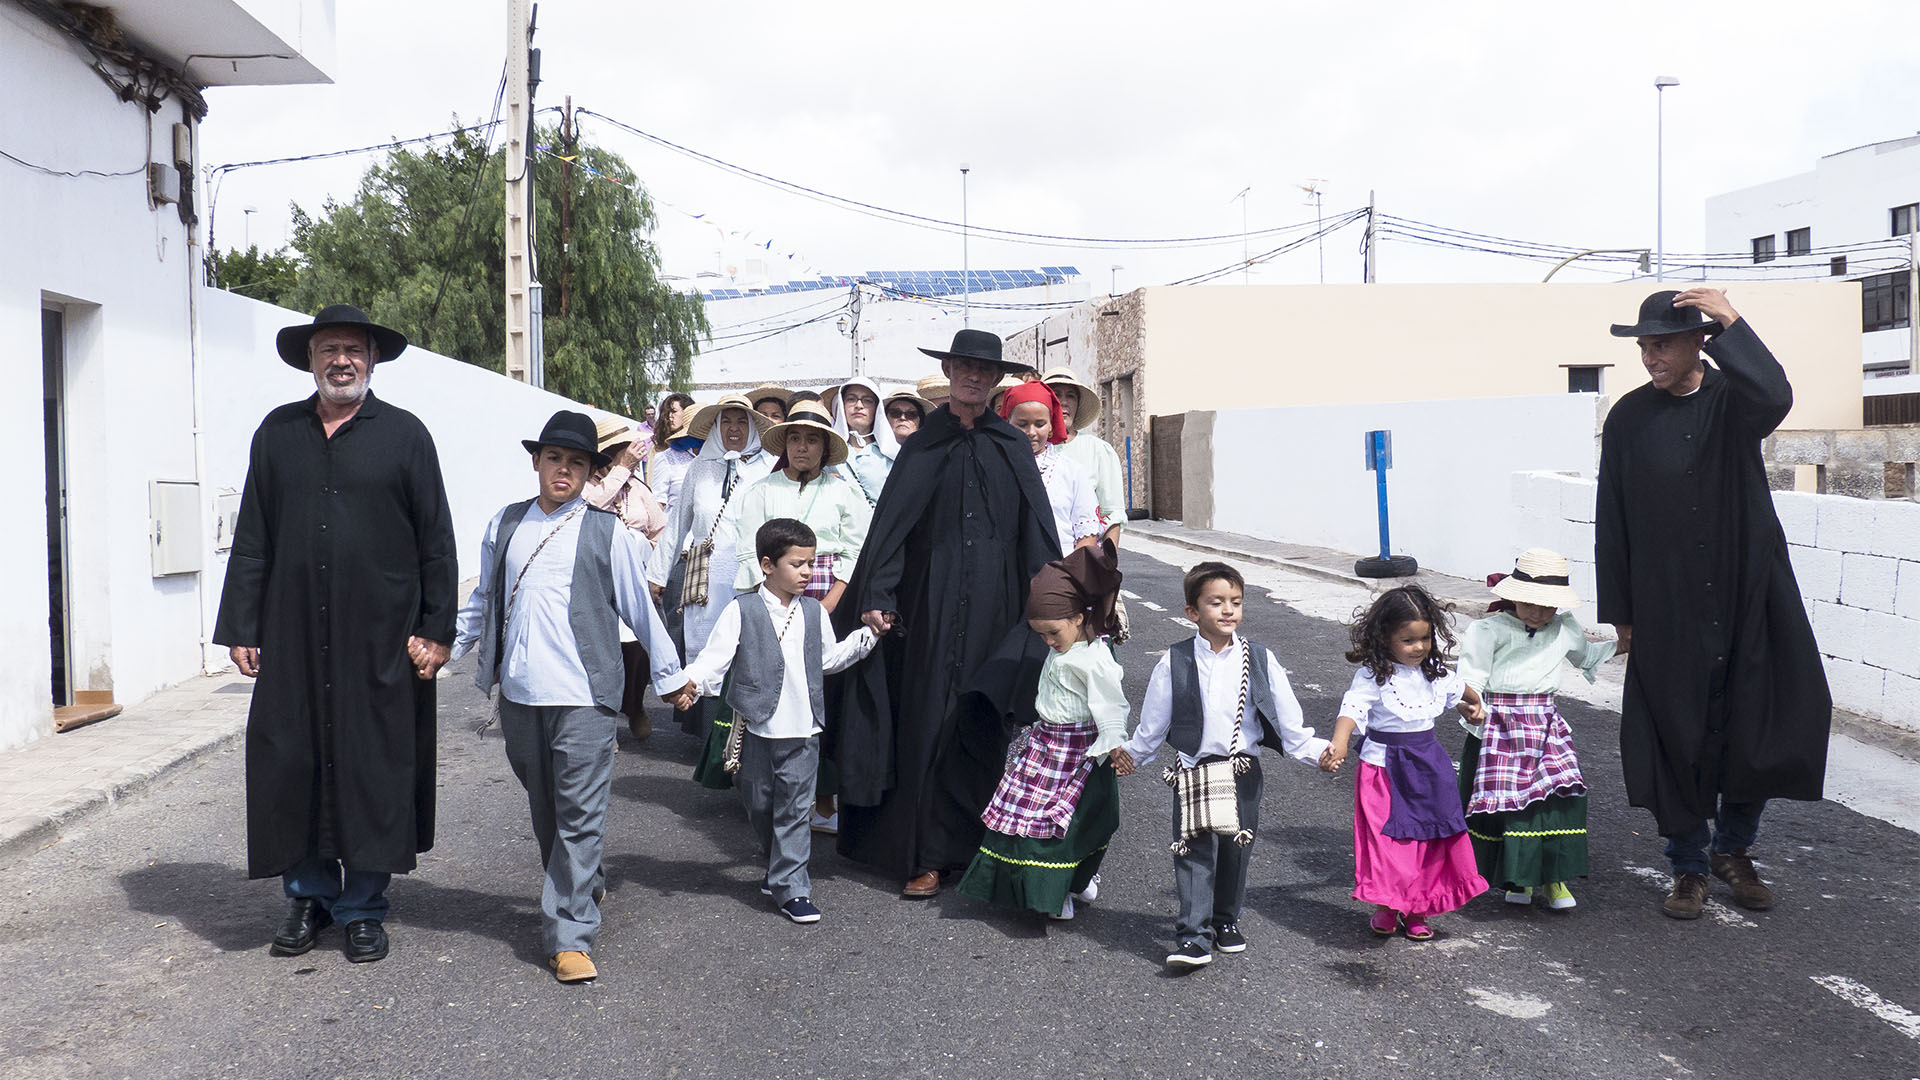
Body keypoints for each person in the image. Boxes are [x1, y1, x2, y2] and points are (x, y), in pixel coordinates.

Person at [213, 304, 458, 966]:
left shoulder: (406, 437)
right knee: (292, 762)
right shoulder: (278, 434)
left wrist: (437, 630)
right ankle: (308, 897)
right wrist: (241, 623)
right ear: (311, 359)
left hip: (380, 640)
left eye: (353, 349)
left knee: (373, 767)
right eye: (329, 349)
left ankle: (362, 908)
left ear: (371, 361)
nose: (341, 360)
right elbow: (255, 535)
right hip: (292, 635)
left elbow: (437, 539)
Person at [1595, 287, 1831, 920]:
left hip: (1746, 591)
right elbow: (1610, 516)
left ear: (1700, 341)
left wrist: (1732, 319)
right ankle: (1689, 867)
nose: (1650, 356)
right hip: (1665, 602)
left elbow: (1776, 394)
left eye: (1663, 342)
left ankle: (1734, 849)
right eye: (1644, 344)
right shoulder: (1628, 418)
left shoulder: (1734, 400)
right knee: (1673, 731)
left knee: (1760, 724)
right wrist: (1621, 611)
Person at [448, 411, 687, 984]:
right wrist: (448, 649)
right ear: (537, 461)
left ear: (590, 472)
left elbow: (640, 610)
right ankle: (585, 882)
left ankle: (570, 933)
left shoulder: (611, 535)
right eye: (555, 458)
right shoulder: (503, 525)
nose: (564, 470)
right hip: (521, 694)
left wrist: (671, 675)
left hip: (586, 695)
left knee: (580, 814)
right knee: (546, 806)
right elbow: (484, 597)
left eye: (577, 463)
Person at [834, 329, 1062, 898]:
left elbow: (1035, 533)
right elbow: (891, 533)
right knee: (926, 722)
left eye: (985, 370)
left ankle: (982, 851)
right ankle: (927, 855)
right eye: (964, 366)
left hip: (996, 608)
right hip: (927, 609)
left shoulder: (1011, 446)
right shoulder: (922, 445)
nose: (974, 377)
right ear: (950, 371)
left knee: (983, 723)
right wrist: (879, 596)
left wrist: (1054, 610)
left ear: (994, 380)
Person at [1118, 562, 1328, 969]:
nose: (1228, 610)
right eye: (1216, 602)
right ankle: (1193, 937)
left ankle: (1225, 920)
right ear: (1192, 612)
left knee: (1236, 848)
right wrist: (1132, 756)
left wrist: (1317, 752)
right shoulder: (1174, 661)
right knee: (1193, 851)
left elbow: (1288, 721)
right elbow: (1154, 722)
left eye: (1235, 602)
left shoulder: (1261, 659)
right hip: (1193, 771)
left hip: (1242, 771)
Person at [669, 518, 878, 924]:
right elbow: (716, 657)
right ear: (767, 565)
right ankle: (777, 865)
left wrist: (867, 638)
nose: (807, 573)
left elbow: (828, 659)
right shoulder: (742, 609)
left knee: (795, 810)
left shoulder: (815, 611)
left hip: (804, 730)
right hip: (758, 729)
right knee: (760, 802)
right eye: (797, 564)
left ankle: (793, 887)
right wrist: (691, 683)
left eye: (811, 564)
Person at [711, 401, 872, 822]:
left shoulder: (844, 492)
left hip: (828, 596)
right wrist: (762, 612)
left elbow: (856, 551)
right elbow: (749, 553)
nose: (803, 447)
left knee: (823, 694)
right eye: (796, 438)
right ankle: (761, 782)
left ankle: (822, 790)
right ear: (786, 444)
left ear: (825, 447)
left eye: (813, 439)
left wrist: (830, 602)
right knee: (769, 686)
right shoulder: (762, 490)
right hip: (769, 599)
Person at [957, 540, 1127, 922]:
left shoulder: (1094, 658)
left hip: (1079, 752)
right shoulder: (1064, 649)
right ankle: (1055, 888)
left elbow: (1111, 705)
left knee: (1066, 824)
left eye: (1053, 632)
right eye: (1041, 635)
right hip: (1045, 745)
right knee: (1028, 820)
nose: (1048, 642)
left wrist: (1114, 744)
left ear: (1080, 618)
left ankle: (1067, 885)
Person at [1322, 585, 1488, 941]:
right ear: (1384, 638)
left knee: (1428, 841)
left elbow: (1463, 691)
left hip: (1430, 768)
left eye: (1424, 638)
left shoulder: (1435, 674)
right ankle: (1387, 905)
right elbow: (1352, 708)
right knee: (1389, 844)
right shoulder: (1372, 675)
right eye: (1408, 640)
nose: (1418, 647)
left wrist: (1473, 705)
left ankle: (1418, 909)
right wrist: (1338, 743)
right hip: (1383, 770)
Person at [1456, 549, 1616, 911]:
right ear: (1513, 595)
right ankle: (1519, 879)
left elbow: (1587, 658)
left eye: (1547, 607)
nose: (1539, 614)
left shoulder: (1564, 629)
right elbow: (1471, 676)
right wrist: (1472, 704)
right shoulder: (1488, 630)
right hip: (1497, 726)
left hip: (1544, 725)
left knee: (1556, 802)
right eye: (1531, 604)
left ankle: (1554, 879)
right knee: (1509, 809)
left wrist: (1625, 645)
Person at [646, 395, 775, 731]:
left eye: (742, 421)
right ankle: (708, 734)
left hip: (750, 576)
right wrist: (657, 574)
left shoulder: (768, 469)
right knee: (706, 647)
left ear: (753, 426)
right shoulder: (700, 469)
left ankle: (746, 735)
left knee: (746, 649)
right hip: (705, 578)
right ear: (717, 427)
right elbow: (677, 524)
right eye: (727, 421)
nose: (734, 429)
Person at [583, 417, 669, 742]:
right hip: (599, 582)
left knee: (638, 651)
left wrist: (655, 563)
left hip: (637, 580)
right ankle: (604, 724)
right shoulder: (590, 485)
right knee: (606, 651)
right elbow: (588, 509)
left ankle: (634, 706)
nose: (629, 457)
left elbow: (660, 529)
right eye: (621, 452)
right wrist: (619, 472)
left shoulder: (638, 489)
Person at [998, 381, 1104, 553]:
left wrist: (1067, 574)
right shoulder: (996, 468)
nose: (1031, 432)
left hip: (1060, 571)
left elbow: (1087, 536)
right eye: (1022, 424)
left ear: (1051, 427)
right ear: (1007, 424)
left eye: (1039, 424)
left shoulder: (1071, 472)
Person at [1041, 368, 1126, 544]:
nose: (1063, 402)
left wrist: (1107, 565)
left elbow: (1112, 514)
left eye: (1071, 396)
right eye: (1056, 394)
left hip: (1085, 558)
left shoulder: (1097, 450)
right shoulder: (1030, 450)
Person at [827, 377, 896, 505]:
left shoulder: (892, 455)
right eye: (851, 399)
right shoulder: (827, 453)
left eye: (867, 401)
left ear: (876, 408)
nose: (859, 405)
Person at [646, 392, 698, 512]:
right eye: (667, 412)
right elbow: (656, 495)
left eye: (674, 411)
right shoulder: (660, 451)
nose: (670, 416)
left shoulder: (707, 452)